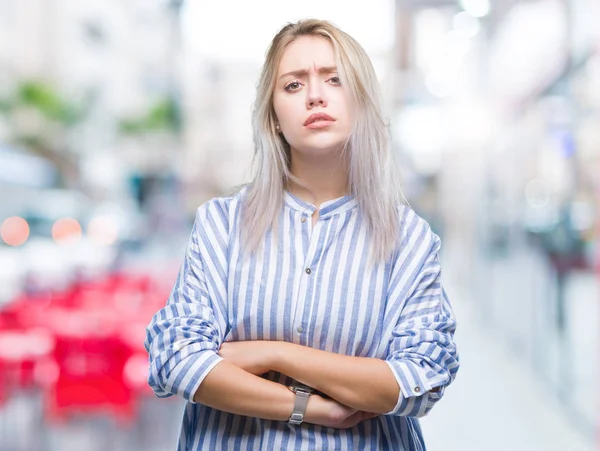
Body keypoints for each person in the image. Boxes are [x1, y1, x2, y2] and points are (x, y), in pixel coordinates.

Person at [145, 18, 459, 450]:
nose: (315, 95)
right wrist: (309, 406)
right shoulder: (221, 224)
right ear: (273, 116)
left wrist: (275, 353)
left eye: (334, 79)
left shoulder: (408, 238)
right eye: (293, 85)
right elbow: (174, 360)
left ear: (361, 101)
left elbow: (420, 378)